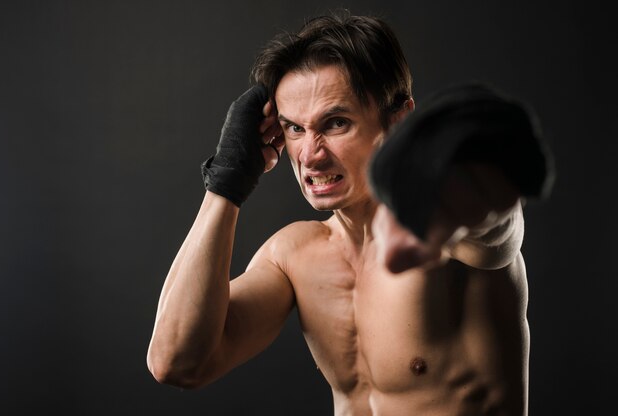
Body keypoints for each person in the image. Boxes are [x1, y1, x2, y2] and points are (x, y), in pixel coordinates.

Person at [147, 12, 552, 415]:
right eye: (294, 129)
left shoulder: (452, 239)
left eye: (336, 123)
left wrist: (474, 181)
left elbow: (493, 227)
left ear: (398, 120)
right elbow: (177, 362)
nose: (311, 155)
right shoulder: (294, 255)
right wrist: (225, 183)